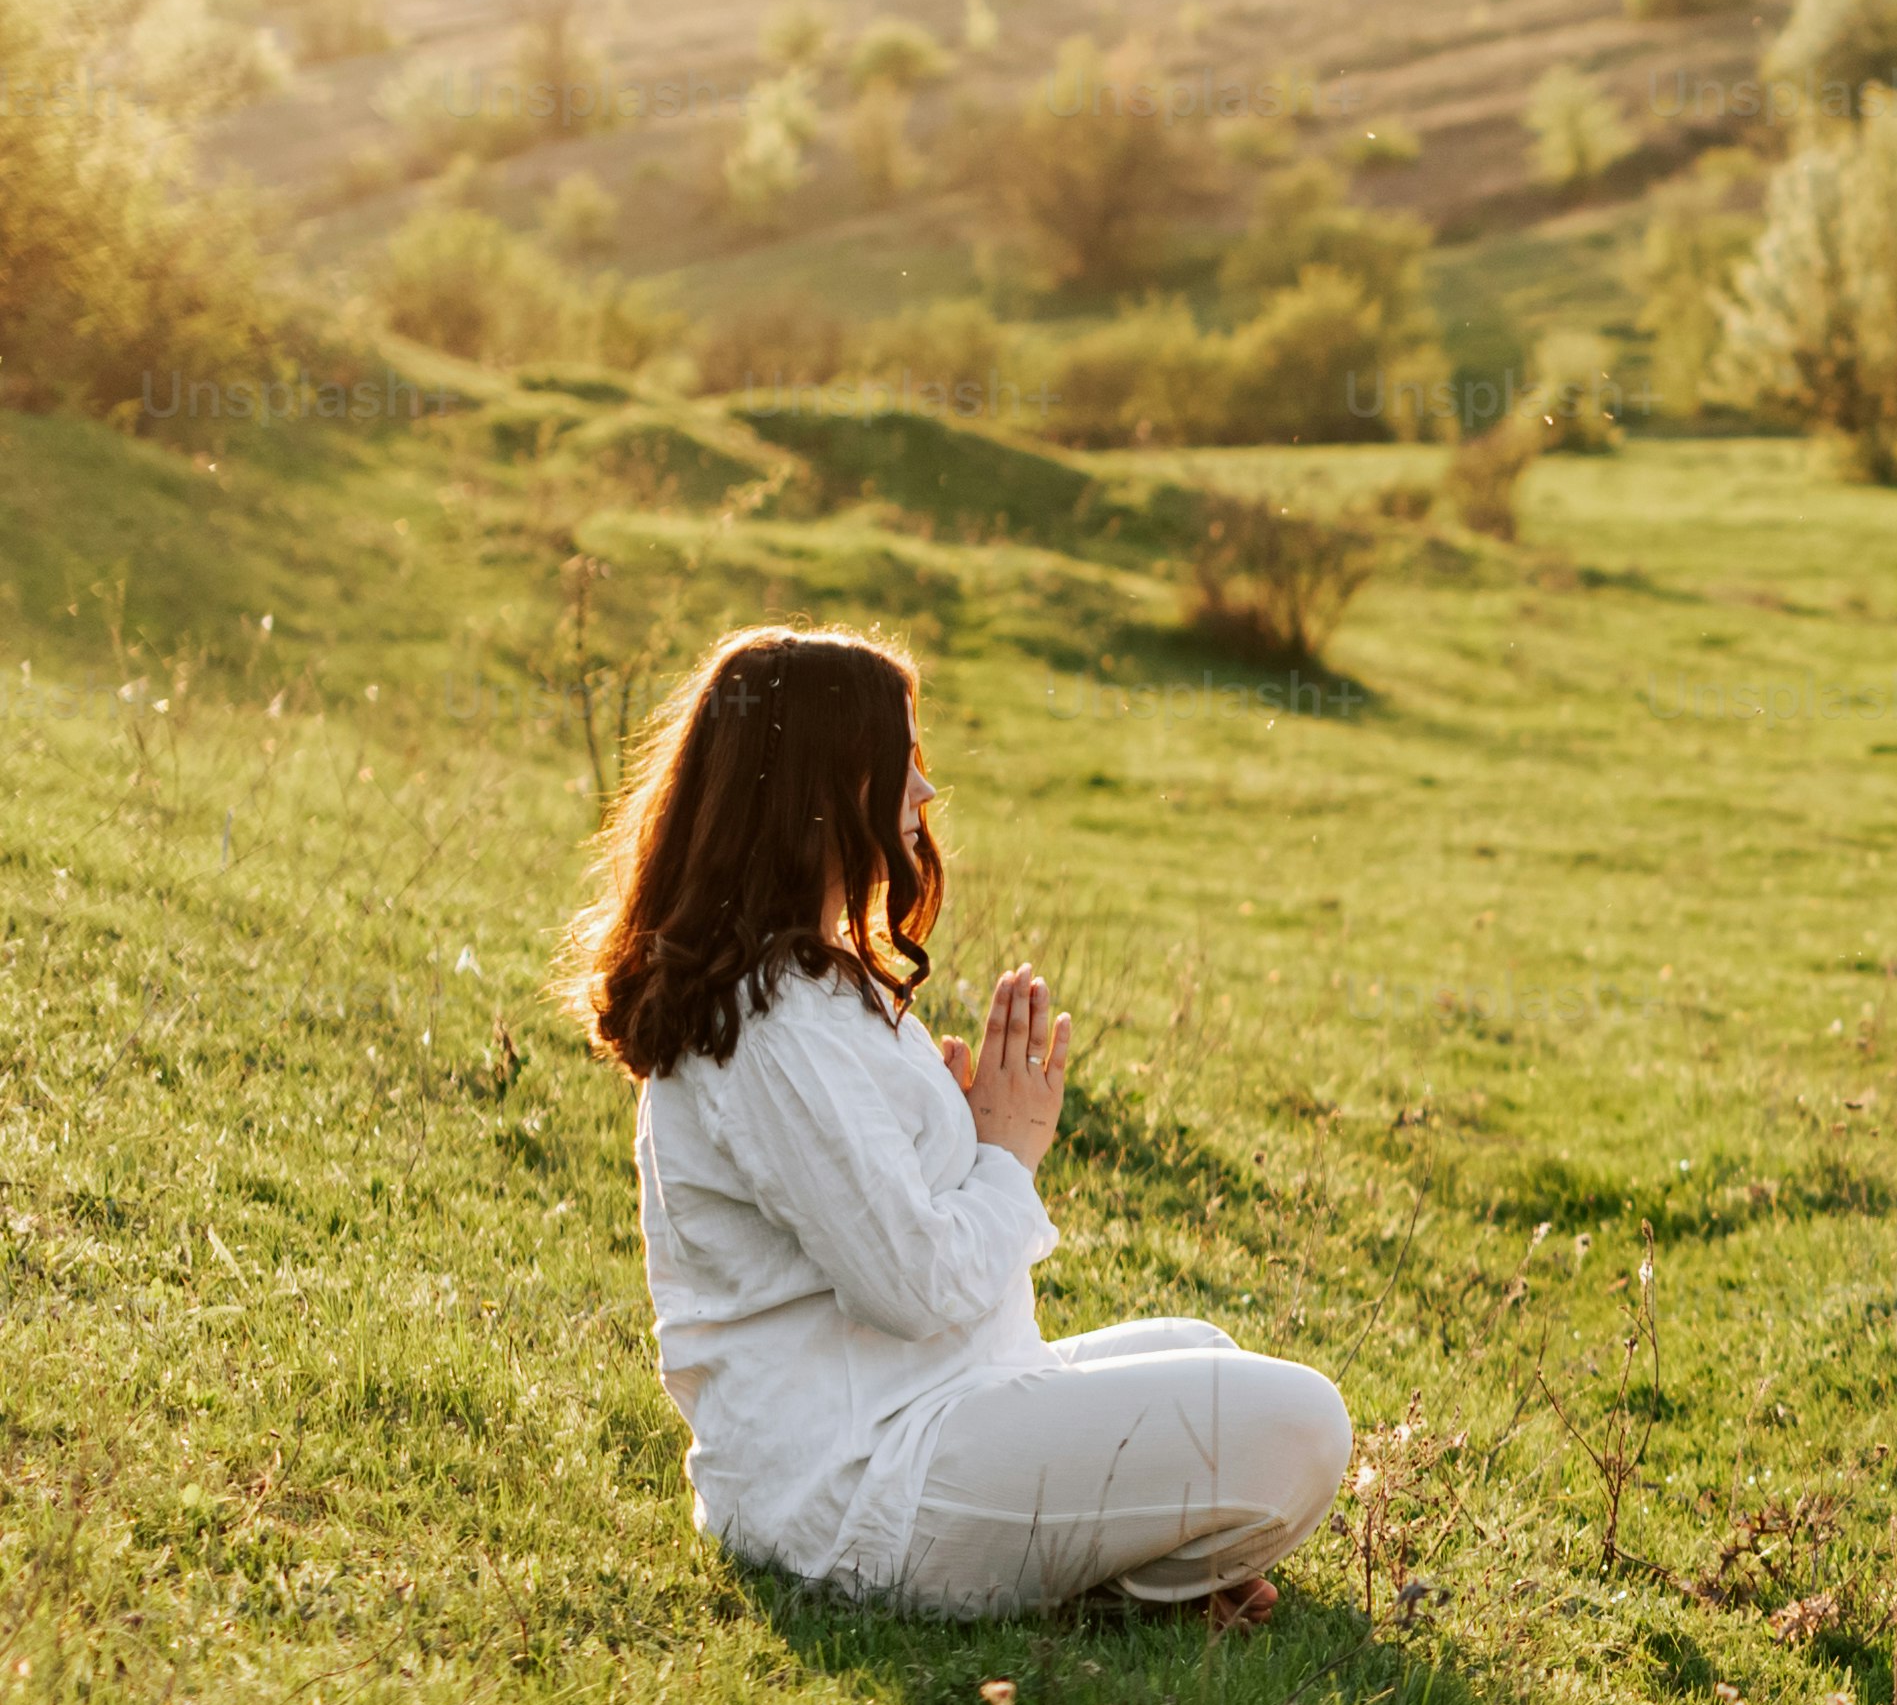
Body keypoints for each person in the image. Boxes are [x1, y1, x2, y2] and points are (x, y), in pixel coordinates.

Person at [560, 627, 1351, 1620]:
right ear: (826, 785)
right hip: (858, 1492)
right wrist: (1005, 1156)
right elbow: (910, 1282)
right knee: (1302, 1423)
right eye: (903, 765)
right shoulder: (769, 1031)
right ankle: (1112, 1586)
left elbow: (892, 1227)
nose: (925, 797)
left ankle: (1110, 1569)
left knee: (1208, 1349)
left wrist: (957, 1141)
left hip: (935, 1407)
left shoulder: (815, 978)